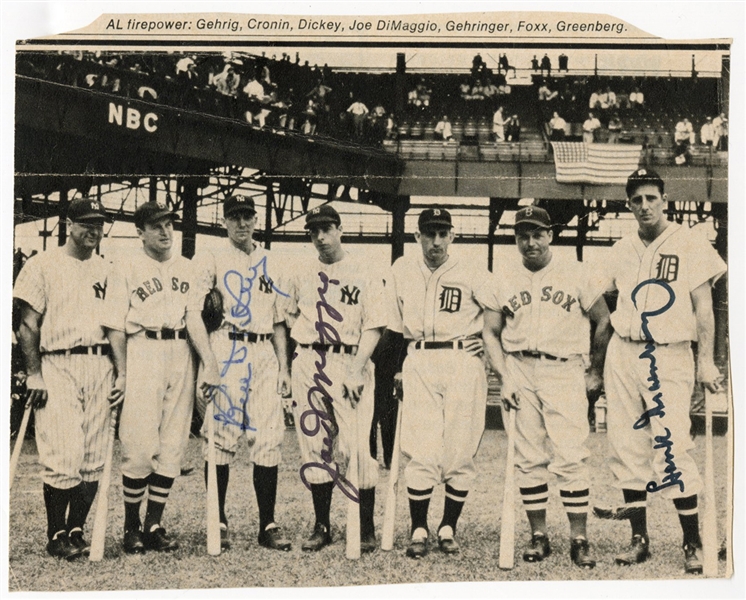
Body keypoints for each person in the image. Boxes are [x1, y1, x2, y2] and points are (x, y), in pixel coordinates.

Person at [595, 169, 726, 574]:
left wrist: (707, 360)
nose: (645, 205)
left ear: (664, 199)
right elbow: (597, 301)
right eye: (637, 199)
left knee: (672, 446)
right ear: (629, 204)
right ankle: (639, 538)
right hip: (624, 351)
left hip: (669, 352)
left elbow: (704, 308)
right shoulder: (619, 248)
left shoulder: (690, 242)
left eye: (652, 197)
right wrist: (595, 361)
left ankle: (692, 540)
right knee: (626, 444)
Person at [481, 206, 612, 569]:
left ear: (550, 235)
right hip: (520, 367)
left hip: (564, 367)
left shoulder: (577, 272)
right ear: (516, 239)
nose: (530, 242)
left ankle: (579, 538)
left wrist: (595, 372)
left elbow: (604, 321)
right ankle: (539, 536)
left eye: (537, 233)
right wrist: (504, 376)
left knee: (571, 453)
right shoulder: (503, 276)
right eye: (523, 235)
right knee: (528, 457)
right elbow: (490, 333)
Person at [186, 194, 293, 552]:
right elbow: (193, 315)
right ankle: (218, 518)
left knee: (268, 437)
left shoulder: (271, 260)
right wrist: (209, 363)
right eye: (235, 217)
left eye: (247, 216)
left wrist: (284, 367)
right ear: (225, 221)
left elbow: (279, 321)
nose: (242, 223)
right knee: (221, 435)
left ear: (255, 219)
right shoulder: (211, 255)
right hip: (226, 343)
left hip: (264, 349)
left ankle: (268, 523)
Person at [14, 198, 116, 560]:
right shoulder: (43, 264)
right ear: (68, 224)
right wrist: (34, 374)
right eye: (87, 223)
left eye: (100, 224)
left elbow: (116, 328)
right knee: (63, 450)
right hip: (57, 361)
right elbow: (27, 324)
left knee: (92, 455)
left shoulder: (108, 269)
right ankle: (56, 533)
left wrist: (121, 372)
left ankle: (76, 530)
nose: (94, 231)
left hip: (100, 362)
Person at [387, 208, 490, 559]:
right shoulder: (402, 269)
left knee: (459, 449)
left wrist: (489, 345)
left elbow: (499, 312)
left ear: (452, 235)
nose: (436, 240)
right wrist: (398, 366)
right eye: (429, 233)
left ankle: (448, 527)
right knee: (423, 447)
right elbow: (392, 323)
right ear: (417, 236)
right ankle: (419, 527)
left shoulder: (473, 268)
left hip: (462, 358)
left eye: (442, 233)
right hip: (419, 359)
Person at [103, 201, 203, 554]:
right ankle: (131, 525)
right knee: (140, 444)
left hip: (180, 351)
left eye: (169, 224)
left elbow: (194, 318)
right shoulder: (125, 266)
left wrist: (209, 363)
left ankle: (154, 524)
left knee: (172, 443)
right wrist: (124, 370)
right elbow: (114, 326)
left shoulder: (188, 268)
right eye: (156, 225)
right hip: (143, 347)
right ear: (140, 231)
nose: (165, 231)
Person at [285, 204, 385, 553]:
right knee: (315, 444)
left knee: (356, 446)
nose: (321, 237)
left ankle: (366, 525)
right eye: (314, 231)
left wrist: (358, 369)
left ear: (340, 229)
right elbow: (286, 319)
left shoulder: (364, 269)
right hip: (310, 357)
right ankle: (322, 525)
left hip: (349, 359)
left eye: (326, 228)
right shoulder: (300, 271)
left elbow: (375, 325)